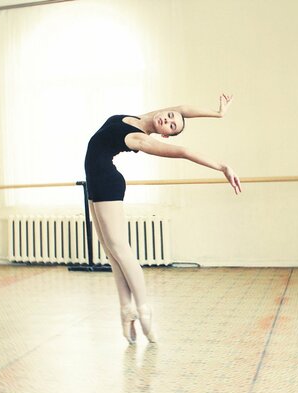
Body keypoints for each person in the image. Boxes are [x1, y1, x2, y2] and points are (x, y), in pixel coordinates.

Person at [84, 94, 241, 344]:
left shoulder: (140, 138)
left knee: (121, 251)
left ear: (165, 134)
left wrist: (222, 166)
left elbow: (184, 151)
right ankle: (126, 311)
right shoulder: (141, 119)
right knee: (112, 255)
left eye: (171, 125)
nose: (167, 119)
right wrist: (217, 113)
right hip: (95, 183)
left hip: (106, 183)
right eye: (169, 117)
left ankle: (145, 311)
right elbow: (183, 108)